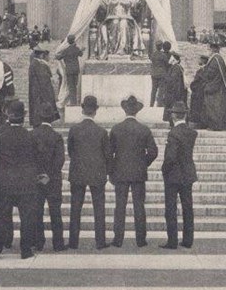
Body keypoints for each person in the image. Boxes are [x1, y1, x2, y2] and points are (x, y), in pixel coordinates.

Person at [0, 100, 40, 260]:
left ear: (8, 116)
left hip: (5, 182)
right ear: (23, 117)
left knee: (2, 216)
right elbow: (37, 158)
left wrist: (2, 169)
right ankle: (25, 250)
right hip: (26, 183)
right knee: (27, 217)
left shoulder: (0, 136)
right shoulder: (30, 136)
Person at [109, 95, 158, 248]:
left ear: (125, 110)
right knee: (139, 206)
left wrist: (112, 170)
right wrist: (144, 163)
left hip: (120, 173)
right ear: (137, 111)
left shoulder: (116, 129)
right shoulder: (144, 129)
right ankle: (141, 240)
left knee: (120, 207)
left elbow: (109, 153)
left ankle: (118, 239)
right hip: (138, 173)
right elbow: (153, 152)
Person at [67, 95, 111, 250]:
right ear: (96, 110)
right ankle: (100, 241)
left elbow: (71, 151)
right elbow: (107, 155)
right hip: (97, 173)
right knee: (99, 208)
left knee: (75, 208)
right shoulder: (102, 132)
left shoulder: (74, 130)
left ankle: (73, 242)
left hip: (78, 172)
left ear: (82, 108)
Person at [159, 101, 197, 250]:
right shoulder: (191, 133)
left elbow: (170, 157)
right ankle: (188, 240)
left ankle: (172, 240)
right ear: (185, 115)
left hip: (173, 175)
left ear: (173, 116)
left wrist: (164, 169)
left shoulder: (173, 133)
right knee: (188, 207)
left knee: (171, 209)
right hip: (187, 173)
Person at [31, 102, 66, 252]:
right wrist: (49, 175)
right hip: (53, 180)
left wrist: (39, 175)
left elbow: (30, 158)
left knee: (37, 211)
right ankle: (58, 243)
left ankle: (39, 242)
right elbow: (60, 160)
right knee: (55, 212)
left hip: (36, 180)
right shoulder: (56, 136)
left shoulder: (32, 134)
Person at [201, 43, 226, 131]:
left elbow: (210, 74)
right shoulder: (217, 59)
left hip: (215, 88)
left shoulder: (215, 59)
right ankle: (215, 125)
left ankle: (216, 125)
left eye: (209, 49)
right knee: (217, 106)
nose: (208, 51)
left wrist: (203, 72)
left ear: (213, 50)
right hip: (217, 86)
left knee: (215, 107)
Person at [28, 46, 60, 128]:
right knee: (39, 113)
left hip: (35, 92)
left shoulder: (34, 63)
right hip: (39, 93)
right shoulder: (38, 65)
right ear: (41, 55)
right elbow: (44, 81)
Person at [55, 35, 82, 106]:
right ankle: (74, 101)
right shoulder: (76, 49)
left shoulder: (66, 50)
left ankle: (73, 102)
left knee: (71, 86)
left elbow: (58, 57)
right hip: (76, 70)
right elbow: (81, 54)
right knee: (75, 85)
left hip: (69, 70)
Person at [162, 52, 187, 124]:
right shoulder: (176, 67)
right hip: (174, 92)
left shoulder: (176, 68)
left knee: (172, 109)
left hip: (173, 93)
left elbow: (172, 80)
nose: (169, 59)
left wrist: (165, 78)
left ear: (175, 60)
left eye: (171, 58)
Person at [188, 55, 208, 128]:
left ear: (203, 61)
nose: (198, 60)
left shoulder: (202, 71)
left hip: (199, 93)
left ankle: (199, 123)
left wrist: (193, 86)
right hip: (198, 92)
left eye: (200, 59)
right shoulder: (203, 70)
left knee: (198, 108)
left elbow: (197, 82)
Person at [149, 41, 170, 108]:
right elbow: (167, 64)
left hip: (154, 74)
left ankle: (151, 104)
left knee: (153, 90)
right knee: (161, 90)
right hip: (161, 74)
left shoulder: (153, 55)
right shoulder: (163, 55)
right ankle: (159, 104)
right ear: (161, 47)